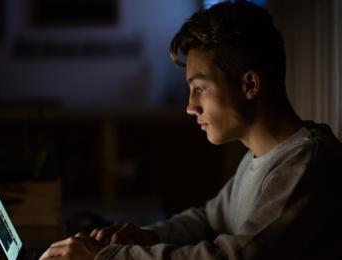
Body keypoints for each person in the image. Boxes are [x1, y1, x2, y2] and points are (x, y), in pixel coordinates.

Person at [40, 0, 342, 259]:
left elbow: (235, 257)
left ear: (250, 84)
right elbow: (209, 219)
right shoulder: (261, 155)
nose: (190, 106)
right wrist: (149, 236)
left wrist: (112, 256)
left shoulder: (306, 163)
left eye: (200, 88)